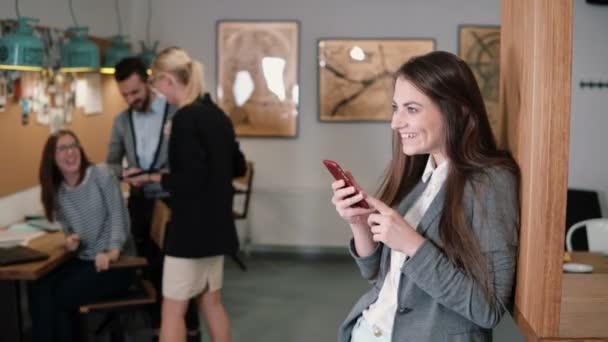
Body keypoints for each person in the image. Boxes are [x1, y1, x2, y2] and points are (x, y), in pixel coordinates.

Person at [330, 51, 520, 342]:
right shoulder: (420, 177)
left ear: (458, 110)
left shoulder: (491, 182)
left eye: (412, 109)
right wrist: (359, 222)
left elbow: (488, 308)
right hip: (369, 330)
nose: (396, 122)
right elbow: (375, 273)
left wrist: (412, 245)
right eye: (395, 108)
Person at [149, 47, 246, 342]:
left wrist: (159, 177)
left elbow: (188, 181)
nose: (160, 94)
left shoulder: (184, 119)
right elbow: (238, 166)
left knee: (172, 310)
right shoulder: (218, 115)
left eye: (157, 86)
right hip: (217, 226)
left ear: (168, 80)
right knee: (210, 302)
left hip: (190, 231)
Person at [107, 57, 201, 341]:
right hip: (139, 203)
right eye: (124, 94)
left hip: (174, 202)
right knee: (149, 267)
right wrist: (125, 172)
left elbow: (191, 163)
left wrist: (162, 174)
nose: (131, 99)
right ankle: (161, 329)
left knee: (181, 271)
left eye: (135, 92)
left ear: (148, 82)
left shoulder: (177, 112)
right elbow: (110, 163)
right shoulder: (121, 121)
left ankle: (191, 329)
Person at [28, 130, 135, 342]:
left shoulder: (101, 174)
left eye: (73, 146)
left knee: (60, 296)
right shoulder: (58, 192)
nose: (70, 152)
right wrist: (71, 241)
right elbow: (70, 230)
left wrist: (112, 252)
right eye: (62, 148)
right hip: (87, 260)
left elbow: (118, 216)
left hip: (117, 264)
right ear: (53, 158)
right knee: (39, 287)